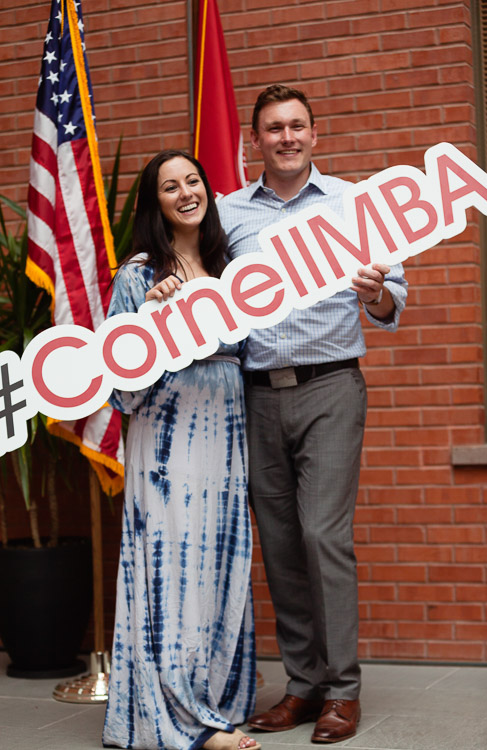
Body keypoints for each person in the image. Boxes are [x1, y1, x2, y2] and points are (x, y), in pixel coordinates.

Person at [217, 85, 408, 744]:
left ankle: (343, 692)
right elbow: (202, 295)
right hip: (256, 392)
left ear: (315, 135)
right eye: (274, 128)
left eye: (297, 126)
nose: (287, 137)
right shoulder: (228, 213)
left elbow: (391, 307)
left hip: (331, 387)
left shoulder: (355, 206)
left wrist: (378, 292)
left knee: (322, 535)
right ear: (256, 139)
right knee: (281, 542)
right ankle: (302, 686)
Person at [102, 150, 259, 750]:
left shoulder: (230, 267)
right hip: (167, 439)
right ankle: (181, 716)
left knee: (219, 566)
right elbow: (122, 390)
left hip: (225, 432)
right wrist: (152, 322)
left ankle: (213, 699)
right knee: (173, 569)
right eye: (171, 187)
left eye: (193, 180)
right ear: (155, 204)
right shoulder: (138, 275)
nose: (186, 192)